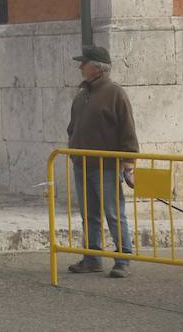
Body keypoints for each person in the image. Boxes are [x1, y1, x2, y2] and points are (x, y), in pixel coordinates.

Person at [66, 44, 138, 278]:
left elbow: (127, 128)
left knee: (114, 212)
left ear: (97, 68)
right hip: (82, 164)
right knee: (89, 214)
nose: (80, 67)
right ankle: (92, 257)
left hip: (106, 166)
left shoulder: (115, 93)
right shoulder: (82, 94)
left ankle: (123, 258)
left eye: (83, 63)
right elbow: (72, 126)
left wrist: (128, 161)